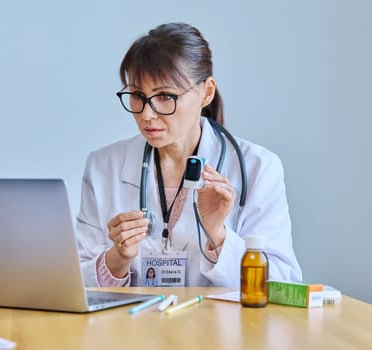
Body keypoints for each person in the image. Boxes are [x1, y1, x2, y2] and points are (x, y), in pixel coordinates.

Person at [76, 22, 302, 287]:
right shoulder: (103, 167)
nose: (147, 114)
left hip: (218, 328)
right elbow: (73, 281)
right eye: (138, 95)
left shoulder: (258, 167)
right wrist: (117, 259)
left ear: (206, 92)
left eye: (165, 96)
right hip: (132, 326)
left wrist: (217, 235)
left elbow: (282, 282)